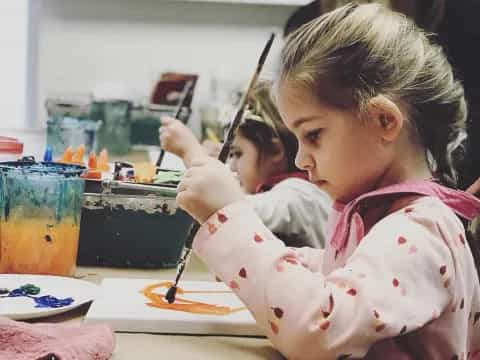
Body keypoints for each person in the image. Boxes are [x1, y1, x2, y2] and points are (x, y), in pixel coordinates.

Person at [173, 4, 480, 359]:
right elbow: (346, 274)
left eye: (314, 135)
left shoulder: (420, 231)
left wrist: (231, 221)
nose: (301, 159)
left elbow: (319, 331)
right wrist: (270, 263)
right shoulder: (381, 215)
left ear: (383, 121)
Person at [160, 81, 330, 248]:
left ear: (275, 150)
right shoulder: (283, 191)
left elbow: (232, 211)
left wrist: (191, 153)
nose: (232, 166)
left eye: (238, 154)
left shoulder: (300, 196)